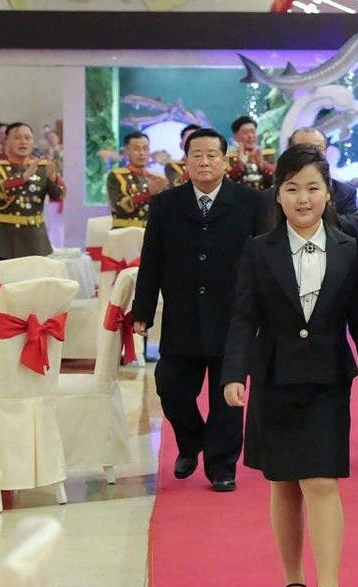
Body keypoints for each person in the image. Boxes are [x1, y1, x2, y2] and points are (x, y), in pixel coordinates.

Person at [221, 143, 358, 587]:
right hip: (276, 378)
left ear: (328, 195)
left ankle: (329, 586)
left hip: (327, 377)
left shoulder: (348, 249)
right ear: (277, 196)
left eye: (312, 188)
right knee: (284, 482)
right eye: (292, 188)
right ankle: (292, 579)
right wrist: (232, 374)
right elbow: (243, 315)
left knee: (322, 481)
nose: (303, 198)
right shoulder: (258, 250)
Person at [132, 128, 265, 493]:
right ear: (185, 161)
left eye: (212, 155)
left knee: (228, 397)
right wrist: (142, 309)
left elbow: (265, 261)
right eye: (197, 155)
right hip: (183, 315)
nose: (204, 161)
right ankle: (192, 443)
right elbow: (152, 262)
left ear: (226, 161)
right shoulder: (166, 204)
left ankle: (222, 466)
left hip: (233, 316)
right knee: (170, 387)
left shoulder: (250, 203)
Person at [0, 122, 64, 270]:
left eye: (27, 138)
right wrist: (23, 177)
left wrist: (54, 178)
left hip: (36, 238)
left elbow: (58, 196)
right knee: (8, 289)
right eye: (18, 138)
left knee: (37, 289)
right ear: (6, 141)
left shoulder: (41, 166)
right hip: (7, 240)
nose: (23, 141)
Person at [286, 127, 358, 238]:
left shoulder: (343, 192)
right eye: (304, 149)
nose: (311, 155)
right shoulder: (271, 195)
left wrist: (325, 212)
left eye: (317, 149)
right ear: (289, 152)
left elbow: (355, 229)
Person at [107, 131, 169, 229]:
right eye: (136, 149)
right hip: (124, 232)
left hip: (153, 233)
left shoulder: (159, 179)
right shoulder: (116, 176)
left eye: (145, 148)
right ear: (126, 151)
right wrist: (148, 193)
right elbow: (119, 207)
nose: (142, 153)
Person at [227, 115, 275, 191]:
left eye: (253, 132)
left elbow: (277, 181)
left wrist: (262, 166)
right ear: (235, 137)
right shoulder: (229, 158)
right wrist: (240, 166)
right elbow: (225, 185)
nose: (250, 136)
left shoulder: (267, 154)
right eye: (245, 132)